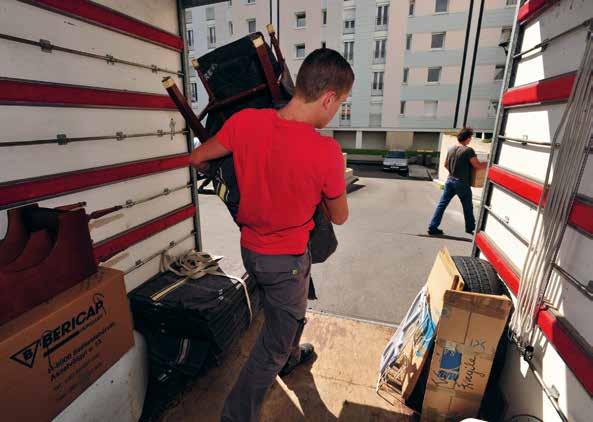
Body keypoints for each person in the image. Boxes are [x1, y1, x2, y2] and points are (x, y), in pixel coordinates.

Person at [189, 48, 353, 422]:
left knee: (285, 313)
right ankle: (237, 414)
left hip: (252, 251)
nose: (338, 110)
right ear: (328, 98)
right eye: (340, 103)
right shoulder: (325, 151)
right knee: (270, 349)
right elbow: (340, 217)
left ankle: (292, 355)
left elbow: (198, 160)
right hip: (287, 261)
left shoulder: (245, 122)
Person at [428, 127, 487, 236]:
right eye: (470, 137)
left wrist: (453, 171)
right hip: (462, 183)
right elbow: (477, 165)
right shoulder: (468, 150)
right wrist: (488, 164)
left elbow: (445, 164)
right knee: (467, 206)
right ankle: (470, 228)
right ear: (468, 138)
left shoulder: (451, 149)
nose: (470, 139)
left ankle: (433, 226)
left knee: (442, 205)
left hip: (450, 180)